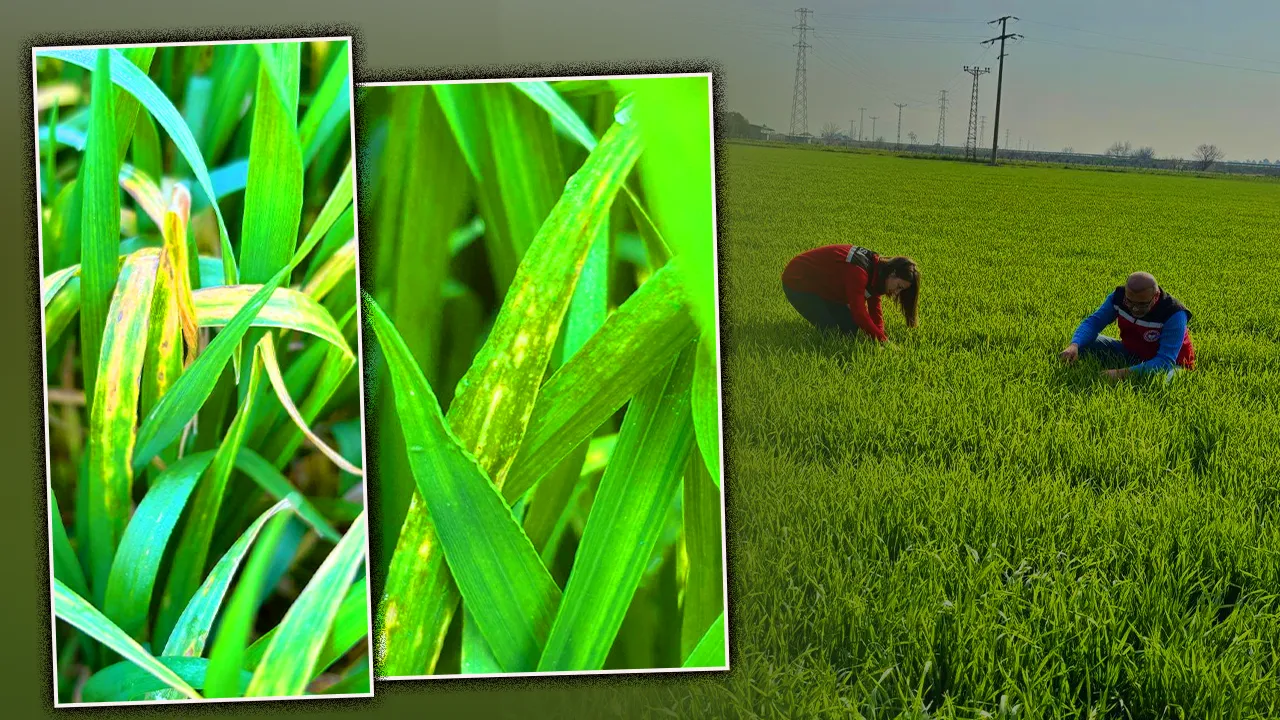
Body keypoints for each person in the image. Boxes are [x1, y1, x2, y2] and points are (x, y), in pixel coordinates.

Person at [1059, 271, 1195, 382]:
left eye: (1142, 305)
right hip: (1132, 352)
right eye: (1129, 302)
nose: (1134, 309)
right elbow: (1093, 323)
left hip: (1173, 364)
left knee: (1164, 380)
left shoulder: (1174, 313)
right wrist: (1074, 345)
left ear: (1156, 296)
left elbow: (1165, 360)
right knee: (1084, 342)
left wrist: (1120, 374)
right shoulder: (1118, 298)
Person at [780, 244, 920, 344]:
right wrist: (884, 341)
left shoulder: (878, 271)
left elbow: (874, 308)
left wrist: (880, 336)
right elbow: (859, 312)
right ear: (893, 273)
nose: (896, 293)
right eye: (899, 287)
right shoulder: (859, 271)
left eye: (901, 291)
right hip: (798, 282)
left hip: (824, 288)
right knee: (832, 333)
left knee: (850, 328)